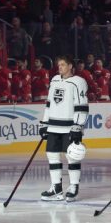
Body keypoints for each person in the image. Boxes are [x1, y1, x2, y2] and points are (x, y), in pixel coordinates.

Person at [39, 55, 89, 202]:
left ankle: (73, 186)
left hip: (69, 127)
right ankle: (56, 188)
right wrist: (44, 123)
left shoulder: (78, 82)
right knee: (52, 156)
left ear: (70, 66)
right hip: (54, 126)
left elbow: (82, 106)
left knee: (72, 157)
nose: (59, 67)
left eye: (62, 64)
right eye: (58, 64)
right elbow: (49, 104)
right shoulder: (54, 80)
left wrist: (78, 126)